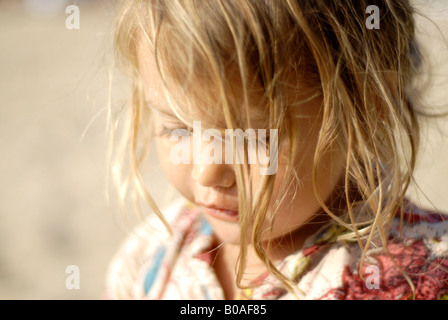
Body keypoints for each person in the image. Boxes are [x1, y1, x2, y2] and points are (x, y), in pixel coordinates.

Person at [104, 0, 448, 300]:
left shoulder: (419, 279)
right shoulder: (153, 254)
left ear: (367, 106)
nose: (206, 172)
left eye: (254, 138)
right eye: (178, 129)